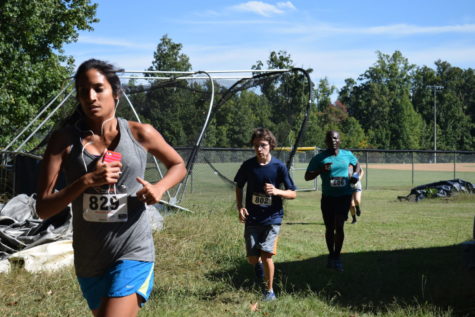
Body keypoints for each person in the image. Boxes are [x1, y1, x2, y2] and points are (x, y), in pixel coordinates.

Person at [36, 59, 186, 317]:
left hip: (133, 250)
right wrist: (86, 181)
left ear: (115, 93)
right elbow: (43, 209)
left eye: (98, 88)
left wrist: (160, 188)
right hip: (90, 259)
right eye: (84, 91)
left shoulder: (140, 133)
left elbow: (178, 165)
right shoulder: (64, 141)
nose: (91, 97)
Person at [234, 128, 297, 301]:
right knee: (253, 258)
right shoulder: (248, 166)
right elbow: (239, 186)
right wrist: (240, 207)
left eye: (263, 145)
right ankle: (258, 266)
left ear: (271, 145)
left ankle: (269, 292)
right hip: (252, 218)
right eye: (256, 146)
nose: (259, 149)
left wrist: (277, 191)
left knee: (267, 253)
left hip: (273, 218)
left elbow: (293, 193)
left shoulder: (279, 166)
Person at [305, 130, 361, 272]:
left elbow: (357, 165)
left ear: (340, 140)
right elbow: (307, 176)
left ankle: (337, 257)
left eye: (335, 138)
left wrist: (355, 174)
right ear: (326, 141)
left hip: (344, 196)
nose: (333, 141)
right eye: (330, 139)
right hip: (328, 198)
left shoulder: (347, 155)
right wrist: (320, 170)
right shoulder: (320, 158)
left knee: (339, 225)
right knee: (330, 228)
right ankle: (331, 255)